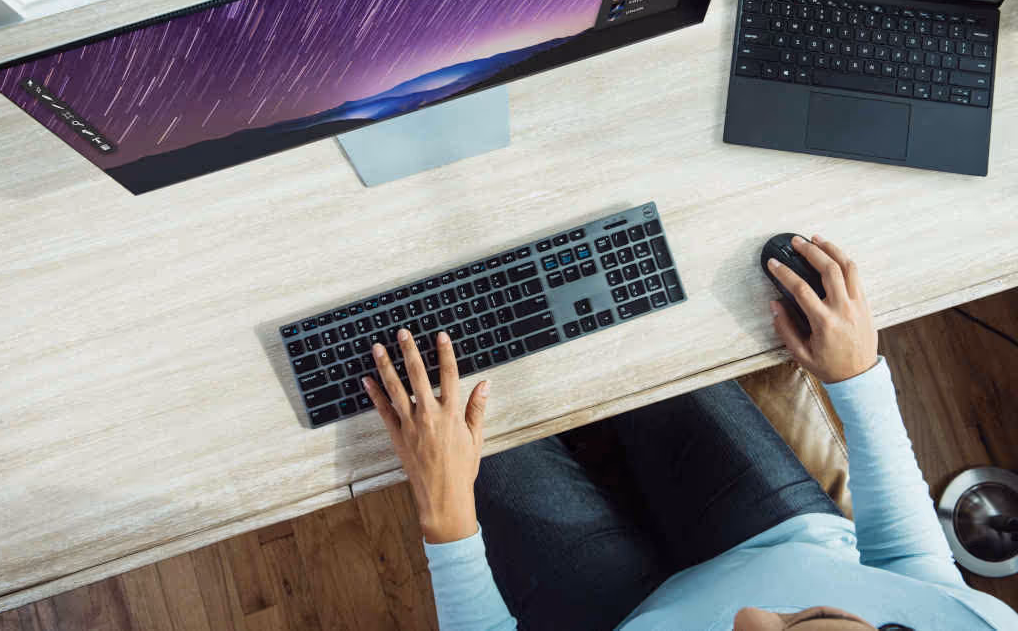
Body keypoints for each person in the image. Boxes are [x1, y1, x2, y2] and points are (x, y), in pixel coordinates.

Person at [364, 235, 1018, 630]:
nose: (750, 615)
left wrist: (445, 517)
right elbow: (914, 575)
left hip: (609, 617)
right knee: (621, 297)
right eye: (808, 616)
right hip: (769, 533)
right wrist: (858, 379)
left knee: (444, 378)